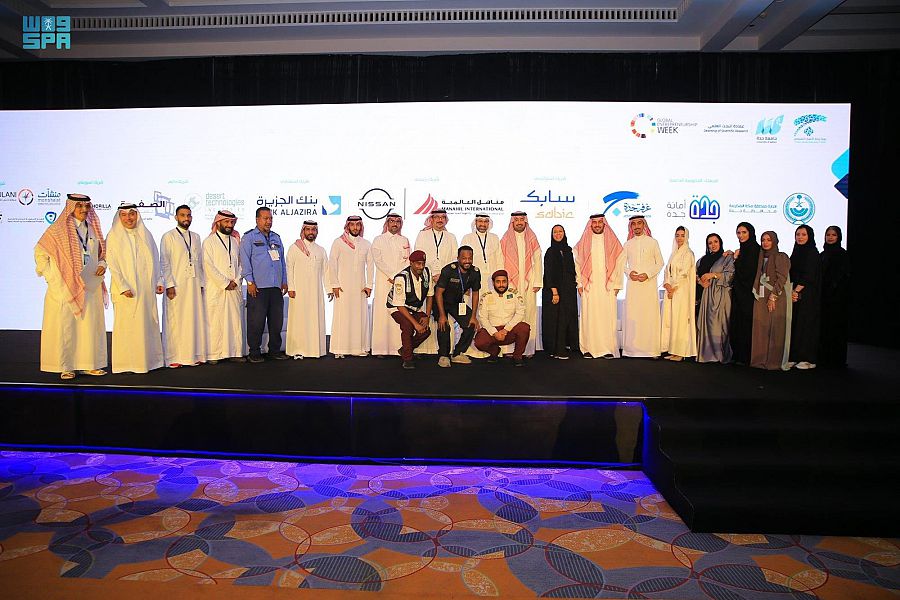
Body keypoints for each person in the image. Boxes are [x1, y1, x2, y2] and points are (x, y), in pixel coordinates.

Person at [35, 193, 109, 379]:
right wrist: (53, 279)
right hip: (64, 288)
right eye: (79, 206)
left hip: (90, 286)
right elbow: (40, 254)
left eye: (87, 206)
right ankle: (66, 366)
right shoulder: (57, 230)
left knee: (89, 326)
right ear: (71, 208)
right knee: (66, 327)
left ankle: (89, 364)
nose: (84, 210)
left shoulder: (93, 228)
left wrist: (102, 264)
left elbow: (102, 254)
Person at [105, 204, 164, 374]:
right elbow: (112, 264)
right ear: (119, 217)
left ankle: (148, 362)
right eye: (124, 215)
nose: (128, 218)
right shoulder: (114, 236)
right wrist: (123, 286)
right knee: (127, 326)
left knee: (146, 325)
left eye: (132, 214)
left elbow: (155, 259)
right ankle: (126, 364)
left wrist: (158, 280)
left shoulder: (146, 234)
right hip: (125, 290)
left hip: (146, 289)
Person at [159, 205, 207, 368]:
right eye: (182, 215)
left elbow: (199, 263)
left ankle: (192, 355)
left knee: (193, 319)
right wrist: (169, 284)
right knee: (176, 321)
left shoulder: (196, 237)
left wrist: (201, 284)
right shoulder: (168, 237)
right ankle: (174, 357)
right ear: (176, 217)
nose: (186, 218)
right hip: (177, 286)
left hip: (193, 285)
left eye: (188, 215)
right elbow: (164, 263)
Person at [240, 206, 289, 363]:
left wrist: (284, 281)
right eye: (265, 218)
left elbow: (282, 261)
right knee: (256, 322)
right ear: (257, 220)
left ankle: (275, 350)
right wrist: (249, 282)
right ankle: (254, 352)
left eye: (270, 218)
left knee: (276, 322)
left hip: (275, 288)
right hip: (258, 287)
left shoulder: (276, 237)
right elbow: (245, 261)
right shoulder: (249, 238)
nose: (269, 221)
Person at [574, 214, 624, 359]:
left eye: (599, 222)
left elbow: (620, 262)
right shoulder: (583, 242)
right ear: (591, 224)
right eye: (594, 222)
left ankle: (608, 348)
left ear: (604, 224)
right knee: (589, 316)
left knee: (607, 316)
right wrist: (579, 283)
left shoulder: (613, 241)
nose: (597, 225)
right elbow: (577, 263)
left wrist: (617, 284)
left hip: (608, 286)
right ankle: (588, 348)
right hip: (589, 286)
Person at [327, 215, 374, 358]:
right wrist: (334, 284)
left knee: (359, 317)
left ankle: (358, 348)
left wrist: (369, 285)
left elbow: (370, 266)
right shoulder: (338, 242)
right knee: (342, 317)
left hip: (360, 287)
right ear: (347, 226)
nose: (355, 228)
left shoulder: (366, 244)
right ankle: (339, 349)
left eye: (358, 225)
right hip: (343, 287)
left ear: (361, 226)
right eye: (352, 225)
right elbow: (332, 264)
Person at [202, 210, 246, 363]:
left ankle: (234, 353)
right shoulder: (209, 242)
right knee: (216, 322)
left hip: (234, 289)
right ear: (218, 222)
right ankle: (214, 354)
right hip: (217, 289)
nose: (229, 225)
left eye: (232, 222)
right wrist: (225, 282)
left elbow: (241, 264)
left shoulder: (235, 241)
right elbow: (208, 266)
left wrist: (237, 280)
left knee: (234, 322)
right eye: (226, 222)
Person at [500, 211, 542, 357]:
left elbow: (538, 259)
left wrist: (538, 281)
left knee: (528, 313)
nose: (519, 222)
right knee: (510, 314)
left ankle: (528, 349)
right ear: (512, 222)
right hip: (511, 283)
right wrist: (503, 284)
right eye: (516, 220)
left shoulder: (532, 237)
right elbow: (501, 261)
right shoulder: (505, 238)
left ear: (525, 221)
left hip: (529, 283)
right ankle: (509, 349)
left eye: (521, 220)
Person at [621, 216, 664, 358]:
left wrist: (648, 274)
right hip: (633, 286)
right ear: (631, 227)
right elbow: (621, 264)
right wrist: (629, 273)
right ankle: (631, 350)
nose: (636, 226)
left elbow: (660, 263)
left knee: (649, 316)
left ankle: (651, 350)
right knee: (633, 315)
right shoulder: (627, 244)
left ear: (644, 224)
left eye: (639, 223)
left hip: (648, 286)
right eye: (633, 224)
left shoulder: (653, 242)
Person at [750, 231, 792, 370]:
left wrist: (773, 296)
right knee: (760, 328)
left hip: (775, 297)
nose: (766, 242)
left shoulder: (780, 257)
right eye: (763, 240)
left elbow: (782, 278)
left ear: (774, 241)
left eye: (769, 240)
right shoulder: (761, 257)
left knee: (775, 329)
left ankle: (773, 362)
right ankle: (759, 360)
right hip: (761, 296)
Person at [286, 220, 328, 359]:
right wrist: (291, 287)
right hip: (298, 292)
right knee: (299, 320)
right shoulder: (294, 248)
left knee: (315, 318)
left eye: (313, 230)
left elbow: (326, 271)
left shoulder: (321, 250)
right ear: (303, 231)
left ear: (317, 232)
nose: (311, 232)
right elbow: (289, 268)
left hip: (316, 293)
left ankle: (315, 350)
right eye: (308, 229)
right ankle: (297, 349)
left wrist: (328, 289)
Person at [434, 246, 481, 367]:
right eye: (464, 258)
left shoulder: (475, 272)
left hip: (457, 303)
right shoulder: (449, 270)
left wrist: (473, 316)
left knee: (471, 323)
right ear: (458, 258)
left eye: (470, 258)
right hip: (441, 301)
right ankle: (443, 356)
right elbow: (438, 293)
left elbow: (475, 293)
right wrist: (442, 315)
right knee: (443, 325)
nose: (467, 261)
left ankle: (457, 353)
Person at [371, 213, 410, 358]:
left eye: (398, 221)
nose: (395, 224)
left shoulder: (404, 240)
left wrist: (399, 277)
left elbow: (408, 260)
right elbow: (378, 260)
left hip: (400, 282)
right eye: (392, 221)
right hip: (384, 281)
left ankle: (398, 348)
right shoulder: (378, 240)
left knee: (399, 312)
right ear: (387, 223)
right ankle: (380, 349)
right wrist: (393, 275)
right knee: (383, 314)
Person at [387, 250, 433, 369]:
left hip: (414, 307)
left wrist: (427, 316)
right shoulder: (401, 278)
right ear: (411, 263)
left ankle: (405, 350)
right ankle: (408, 359)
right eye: (418, 264)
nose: (421, 267)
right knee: (408, 326)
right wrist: (415, 324)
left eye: (423, 263)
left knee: (425, 330)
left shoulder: (427, 272)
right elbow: (399, 305)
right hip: (396, 307)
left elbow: (430, 296)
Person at [474, 270, 530, 366]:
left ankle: (517, 356)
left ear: (507, 282)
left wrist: (506, 329)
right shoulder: (486, 296)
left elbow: (520, 313)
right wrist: (494, 332)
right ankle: (495, 351)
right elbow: (483, 318)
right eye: (498, 282)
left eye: (504, 281)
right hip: (493, 332)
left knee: (524, 328)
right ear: (493, 283)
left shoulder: (515, 294)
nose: (501, 285)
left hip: (509, 331)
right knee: (479, 341)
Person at [542, 224, 579, 359]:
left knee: (567, 318)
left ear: (564, 233)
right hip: (554, 291)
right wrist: (554, 292)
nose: (558, 234)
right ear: (552, 235)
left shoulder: (569, 250)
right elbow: (548, 273)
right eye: (555, 232)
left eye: (560, 231)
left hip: (568, 290)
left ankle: (567, 346)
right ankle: (556, 350)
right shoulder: (550, 251)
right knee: (556, 320)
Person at [696, 233, 734, 364]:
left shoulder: (727, 257)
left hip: (720, 295)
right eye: (710, 243)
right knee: (706, 324)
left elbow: (730, 275)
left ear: (720, 242)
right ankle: (706, 354)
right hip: (706, 296)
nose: (713, 245)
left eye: (715, 242)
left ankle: (719, 355)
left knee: (719, 325)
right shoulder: (702, 260)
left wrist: (713, 275)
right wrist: (700, 281)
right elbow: (695, 274)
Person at [660, 226, 696, 361]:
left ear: (686, 236)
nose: (679, 238)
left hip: (681, 291)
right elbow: (667, 271)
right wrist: (667, 284)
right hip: (671, 291)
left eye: (682, 235)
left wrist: (673, 288)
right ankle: (673, 350)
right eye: (677, 235)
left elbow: (684, 273)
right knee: (672, 320)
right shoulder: (673, 253)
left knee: (680, 320)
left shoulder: (689, 253)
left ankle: (681, 353)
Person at [787, 224, 821, 370]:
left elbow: (809, 275)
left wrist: (796, 291)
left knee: (806, 325)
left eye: (803, 235)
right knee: (796, 325)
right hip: (795, 294)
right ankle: (795, 356)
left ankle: (808, 359)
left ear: (809, 236)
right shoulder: (796, 251)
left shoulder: (812, 253)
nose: (800, 237)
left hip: (807, 295)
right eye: (798, 234)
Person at [819, 226, 850, 369]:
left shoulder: (842, 255)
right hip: (822, 299)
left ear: (839, 237)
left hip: (837, 300)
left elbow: (842, 276)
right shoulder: (822, 254)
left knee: (836, 329)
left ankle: (836, 360)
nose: (830, 237)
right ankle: (824, 358)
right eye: (828, 235)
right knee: (824, 329)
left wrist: (832, 290)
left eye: (833, 235)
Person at [730, 222, 761, 365]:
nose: (741, 235)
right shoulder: (742, 250)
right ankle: (737, 355)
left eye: (744, 232)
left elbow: (749, 272)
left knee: (746, 324)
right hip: (738, 292)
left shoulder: (755, 249)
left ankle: (746, 356)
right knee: (737, 322)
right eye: (738, 233)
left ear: (750, 233)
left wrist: (736, 260)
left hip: (748, 294)